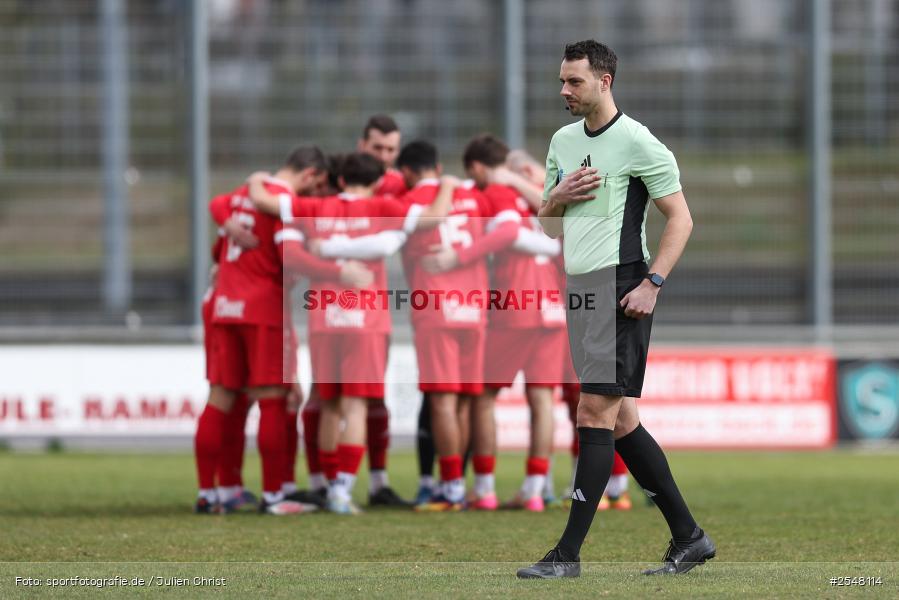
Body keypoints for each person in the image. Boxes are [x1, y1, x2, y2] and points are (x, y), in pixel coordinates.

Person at [517, 40, 714, 579]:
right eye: (562, 80)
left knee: (593, 413)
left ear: (605, 81)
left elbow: (681, 219)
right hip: (579, 288)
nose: (564, 91)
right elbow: (544, 222)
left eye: (574, 82)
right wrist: (557, 196)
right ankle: (689, 538)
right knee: (622, 420)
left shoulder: (638, 142)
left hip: (622, 288)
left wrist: (653, 282)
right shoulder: (561, 139)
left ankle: (567, 556)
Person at [248, 152, 454, 514]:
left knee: (329, 404)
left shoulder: (312, 207)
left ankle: (328, 486)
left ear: (340, 180)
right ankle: (342, 492)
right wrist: (448, 184)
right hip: (366, 321)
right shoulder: (383, 206)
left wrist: (254, 180)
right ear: (376, 182)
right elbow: (432, 217)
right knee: (356, 407)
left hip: (325, 318)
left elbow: (279, 231)